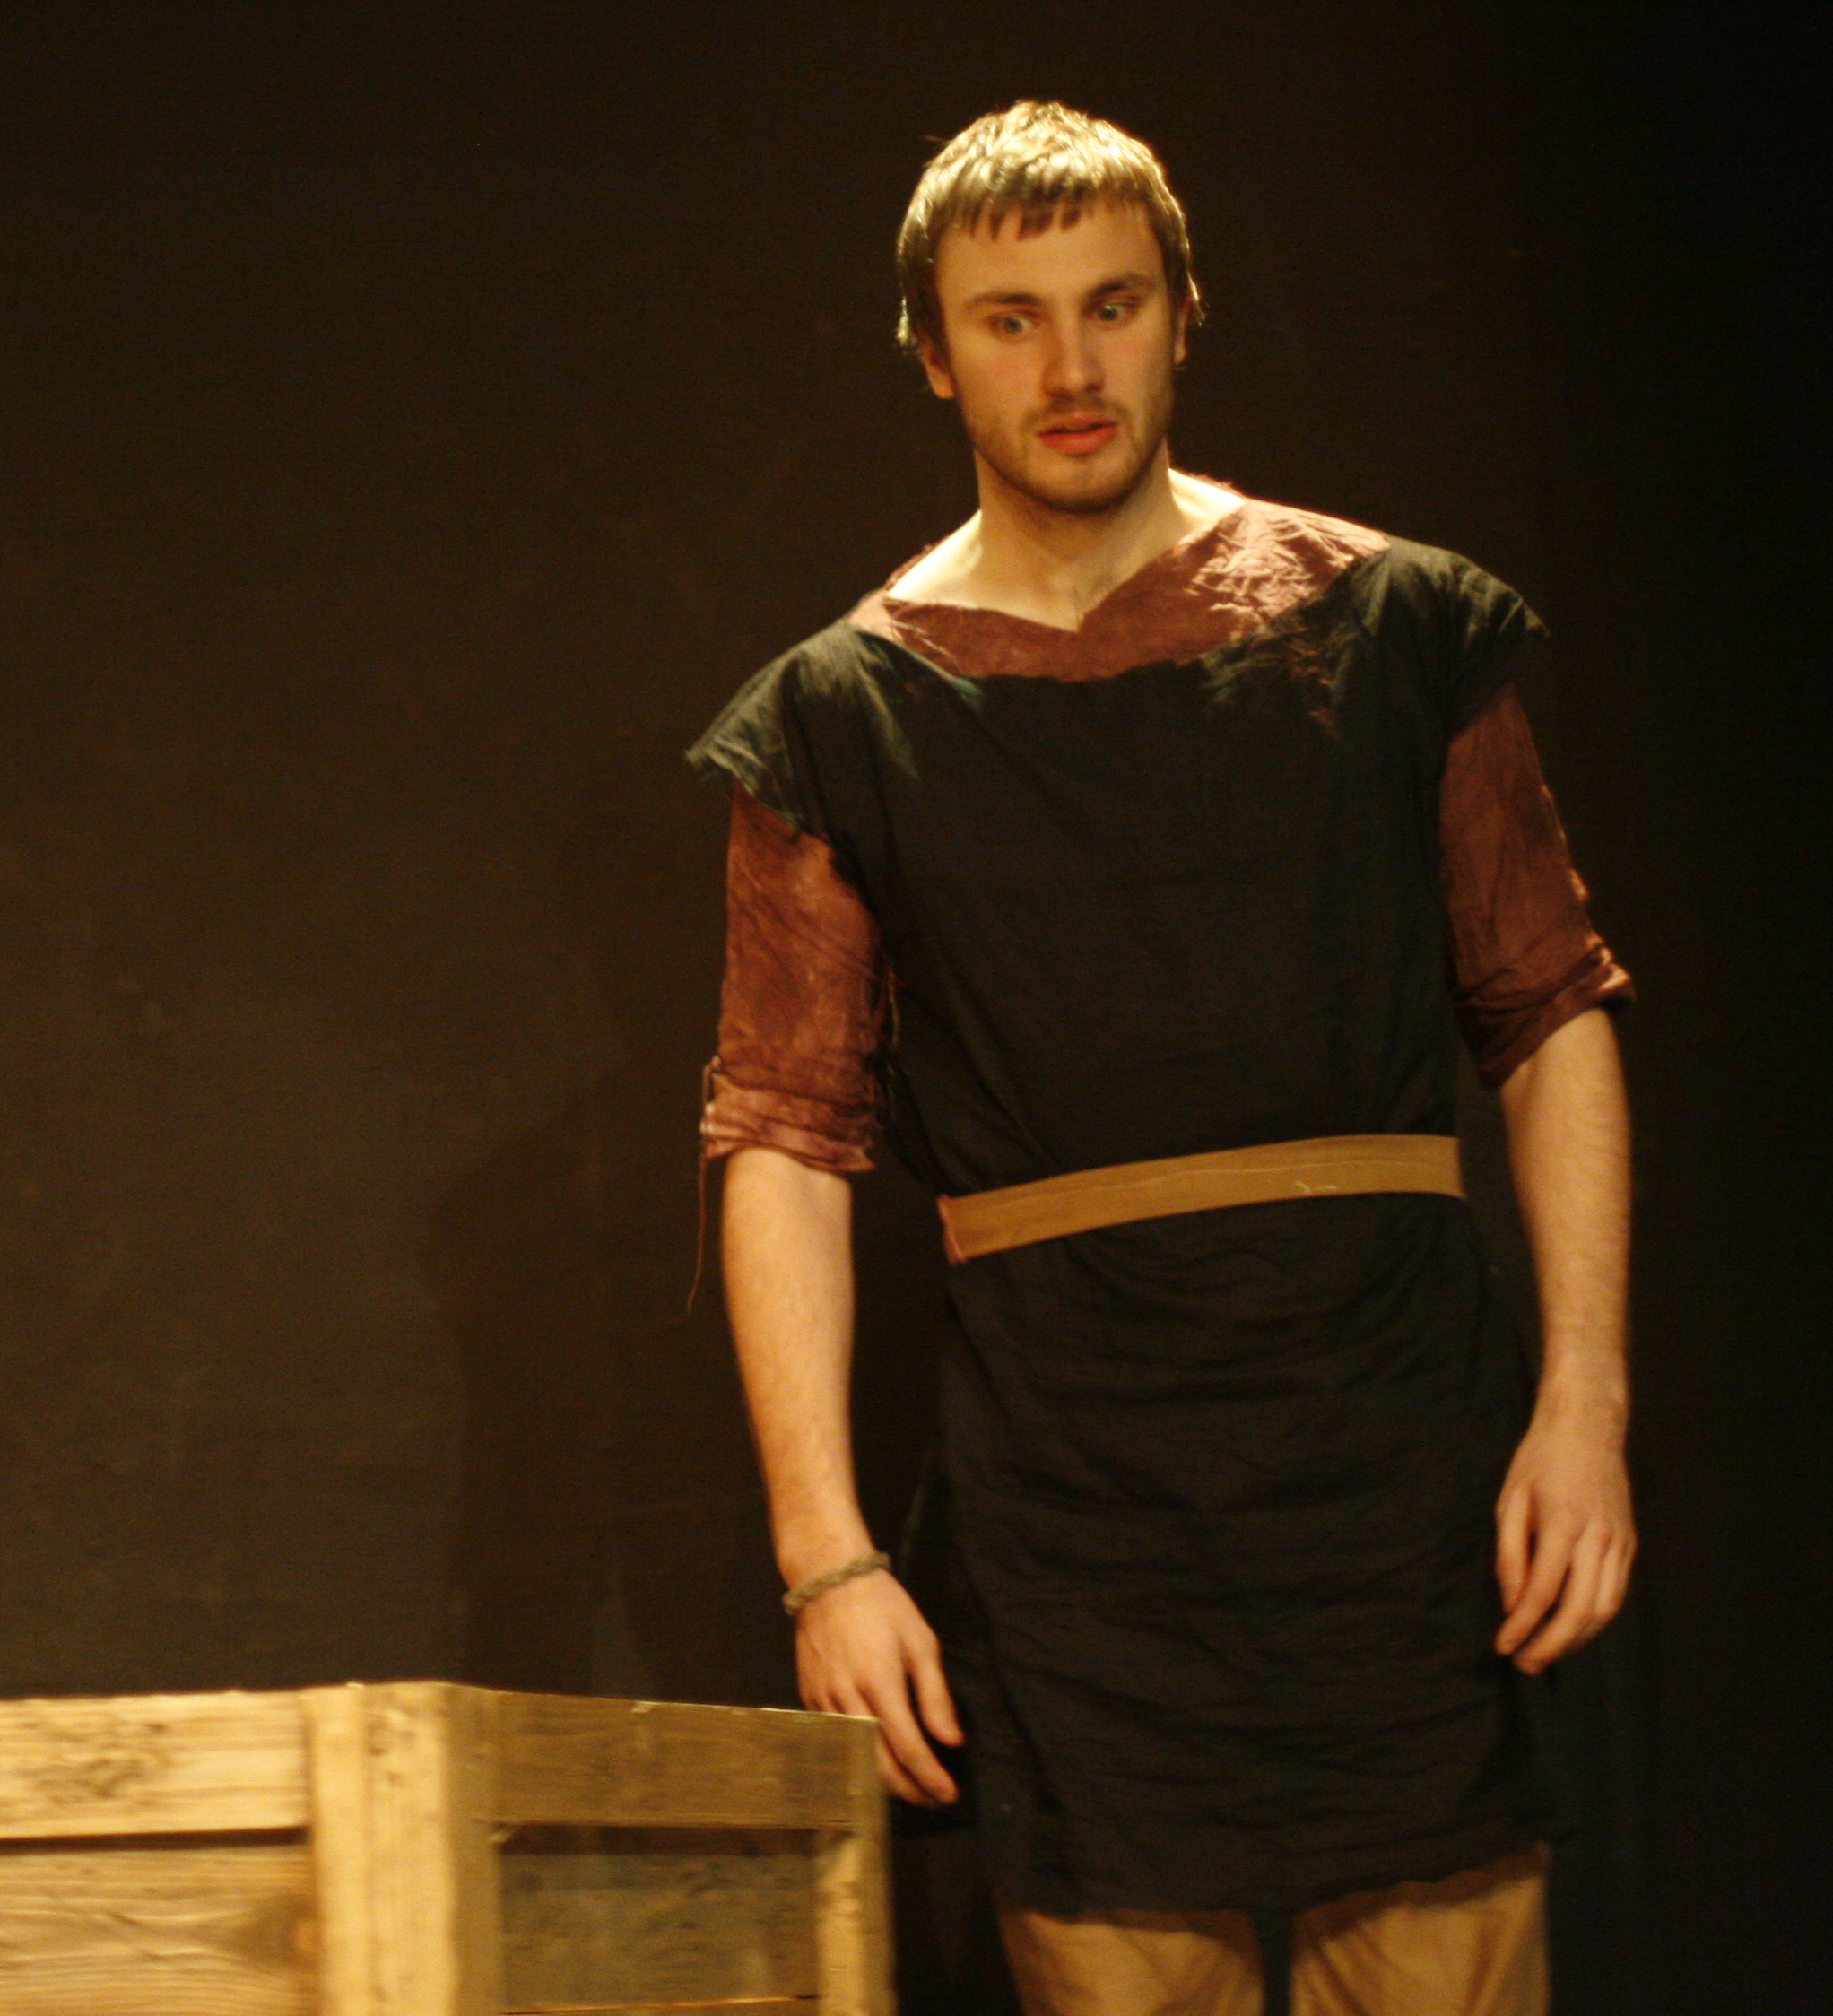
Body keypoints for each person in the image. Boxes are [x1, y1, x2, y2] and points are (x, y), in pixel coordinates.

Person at [689, 102, 1634, 2016]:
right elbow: (782, 1134)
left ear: (1183, 315)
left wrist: (1585, 1405)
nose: (1070, 365)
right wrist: (829, 1558)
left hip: (1394, 1474)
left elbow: (1551, 1012)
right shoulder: (843, 719)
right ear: (934, 352)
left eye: (1110, 304)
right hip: (1073, 1516)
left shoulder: (1396, 629)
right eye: (1012, 317)